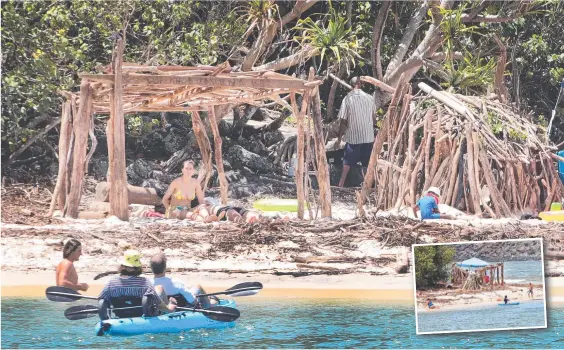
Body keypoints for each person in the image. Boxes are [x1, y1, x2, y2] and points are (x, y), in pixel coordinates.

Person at [98, 250, 176, 320]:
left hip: (120, 316)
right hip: (141, 317)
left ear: (122, 266)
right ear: (138, 267)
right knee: (159, 288)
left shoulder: (111, 284)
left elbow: (102, 300)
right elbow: (158, 304)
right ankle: (168, 314)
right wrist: (170, 307)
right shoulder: (145, 283)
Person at [334, 77, 378, 187]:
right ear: (360, 84)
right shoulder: (370, 98)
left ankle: (341, 184)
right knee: (366, 162)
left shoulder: (347, 99)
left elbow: (343, 120)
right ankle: (367, 185)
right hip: (368, 136)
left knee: (347, 161)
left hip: (354, 136)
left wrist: (339, 137)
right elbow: (374, 118)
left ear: (351, 85)